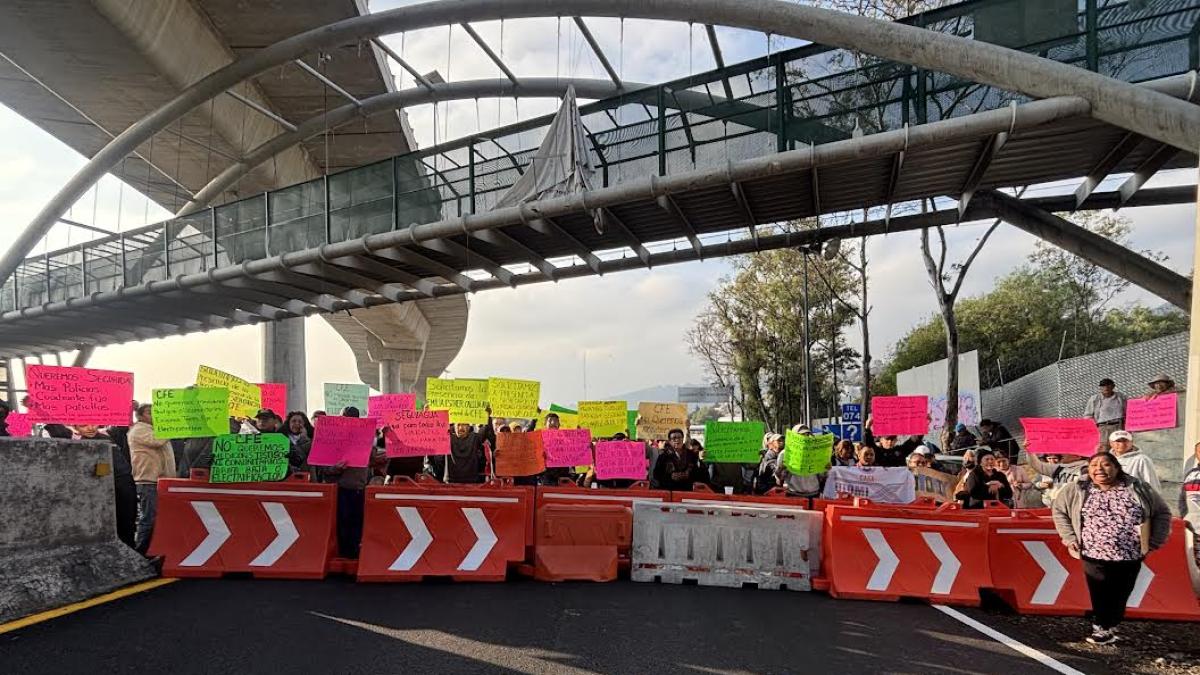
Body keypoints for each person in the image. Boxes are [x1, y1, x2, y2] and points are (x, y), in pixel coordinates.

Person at [1051, 452, 1171, 644]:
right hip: (1092, 552)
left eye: (1106, 464)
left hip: (1130, 553)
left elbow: (1162, 512)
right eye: (1094, 465)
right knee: (1099, 590)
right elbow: (1059, 511)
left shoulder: (1138, 487)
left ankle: (1111, 623)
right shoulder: (1077, 488)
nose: (1099, 469)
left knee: (1121, 592)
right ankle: (1101, 627)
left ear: (1116, 468)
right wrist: (1069, 537)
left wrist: (1155, 540)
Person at [316, 406, 371, 558]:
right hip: (340, 488)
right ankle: (342, 553)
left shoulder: (364, 439)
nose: (349, 421)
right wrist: (335, 468)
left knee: (357, 522)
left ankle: (353, 553)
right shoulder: (332, 438)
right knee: (342, 522)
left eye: (353, 418)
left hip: (359, 488)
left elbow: (372, 460)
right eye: (346, 417)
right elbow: (323, 468)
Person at [129, 403, 173, 554]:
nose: (154, 416)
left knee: (156, 518)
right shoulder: (139, 430)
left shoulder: (154, 429)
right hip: (148, 480)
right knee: (149, 518)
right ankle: (141, 551)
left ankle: (151, 550)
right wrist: (173, 426)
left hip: (159, 480)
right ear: (140, 416)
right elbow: (157, 441)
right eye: (150, 413)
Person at [105, 422, 137, 548]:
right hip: (106, 488)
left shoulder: (108, 438)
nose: (90, 428)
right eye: (83, 425)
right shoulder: (75, 442)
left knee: (127, 521)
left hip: (124, 484)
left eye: (93, 424)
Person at [773, 424, 821, 498]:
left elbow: (821, 475)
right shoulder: (785, 454)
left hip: (814, 494)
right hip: (794, 494)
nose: (805, 437)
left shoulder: (816, 453)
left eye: (807, 434)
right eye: (801, 435)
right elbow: (779, 479)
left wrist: (825, 468)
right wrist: (781, 468)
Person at [1085, 379, 1128, 445]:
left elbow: (1128, 409)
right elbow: (1088, 415)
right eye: (1103, 386)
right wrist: (1093, 429)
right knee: (1104, 447)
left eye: (1108, 385)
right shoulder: (1095, 399)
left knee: (1121, 446)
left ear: (1113, 386)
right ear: (1100, 388)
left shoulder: (1120, 396)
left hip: (1119, 426)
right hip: (1103, 427)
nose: (1106, 387)